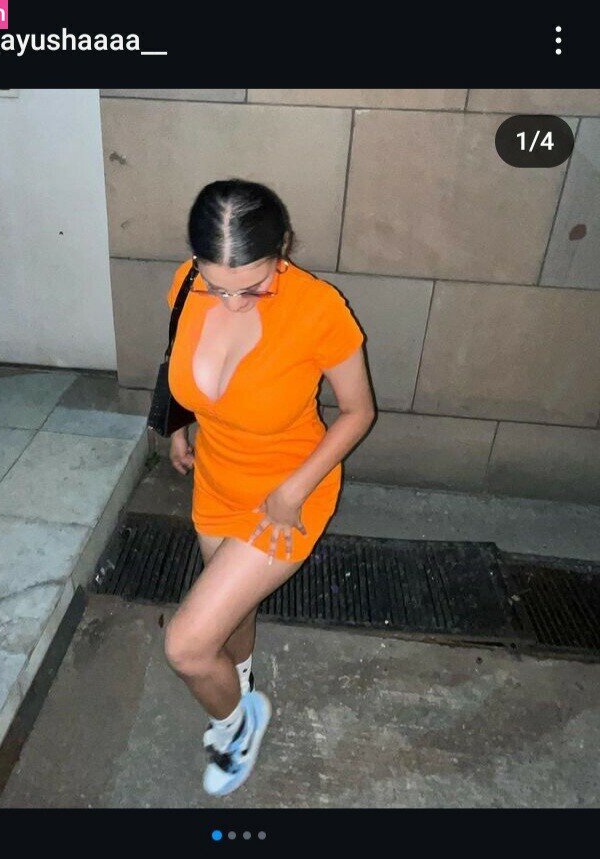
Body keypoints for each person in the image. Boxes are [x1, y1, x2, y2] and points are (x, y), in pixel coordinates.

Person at [163, 178, 375, 796]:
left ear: (281, 249)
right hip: (216, 480)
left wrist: (291, 493)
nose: (232, 302)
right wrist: (180, 423)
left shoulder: (318, 308)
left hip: (288, 494)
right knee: (231, 620)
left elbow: (359, 411)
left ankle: (237, 725)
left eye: (252, 287)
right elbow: (183, 364)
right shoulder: (185, 283)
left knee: (187, 646)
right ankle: (242, 681)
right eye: (217, 286)